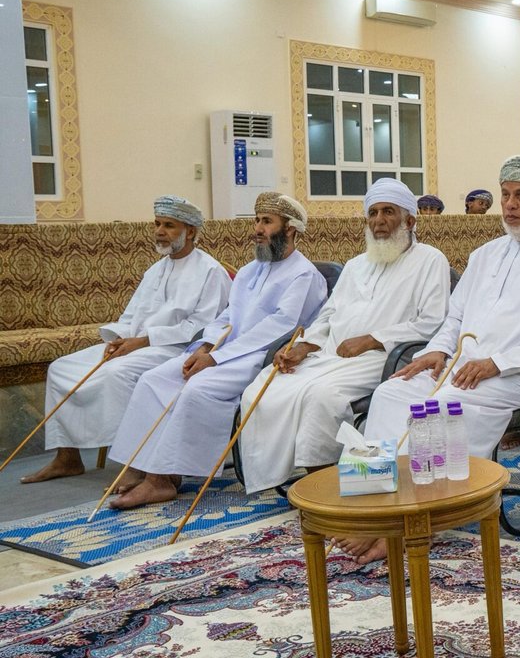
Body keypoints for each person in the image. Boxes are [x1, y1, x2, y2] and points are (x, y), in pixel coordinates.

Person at [361, 156, 520, 517]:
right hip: (464, 366)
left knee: (442, 406)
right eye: (505, 194)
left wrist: (496, 363)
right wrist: (438, 350)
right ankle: (374, 498)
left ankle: (425, 511)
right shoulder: (485, 254)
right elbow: (455, 315)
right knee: (391, 392)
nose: (510, 204)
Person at [103, 193, 327, 509]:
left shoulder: (303, 274)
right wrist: (206, 345)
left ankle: (161, 480)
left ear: (290, 229)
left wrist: (216, 358)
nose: (258, 229)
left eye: (267, 222)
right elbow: (227, 315)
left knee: (196, 389)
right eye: (257, 221)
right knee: (154, 379)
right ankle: (139, 465)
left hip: (261, 357)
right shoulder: (250, 270)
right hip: (224, 349)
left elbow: (280, 327)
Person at [236, 180, 451, 494]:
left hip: (383, 357)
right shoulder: (355, 265)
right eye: (373, 213)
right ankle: (282, 477)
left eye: (388, 212)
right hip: (329, 354)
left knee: (321, 396)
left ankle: (321, 483)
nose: (378, 220)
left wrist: (372, 339)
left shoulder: (430, 260)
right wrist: (304, 346)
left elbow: (431, 322)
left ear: (409, 220)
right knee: (264, 387)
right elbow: (327, 315)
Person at [23, 196, 229, 484]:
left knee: (116, 373)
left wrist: (142, 342)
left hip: (174, 349)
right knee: (61, 368)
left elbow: (201, 327)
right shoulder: (156, 269)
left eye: (169, 226)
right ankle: (67, 458)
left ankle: (134, 462)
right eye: (157, 224)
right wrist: (119, 338)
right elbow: (131, 315)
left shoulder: (211, 271)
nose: (159, 232)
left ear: (190, 231)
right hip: (137, 345)